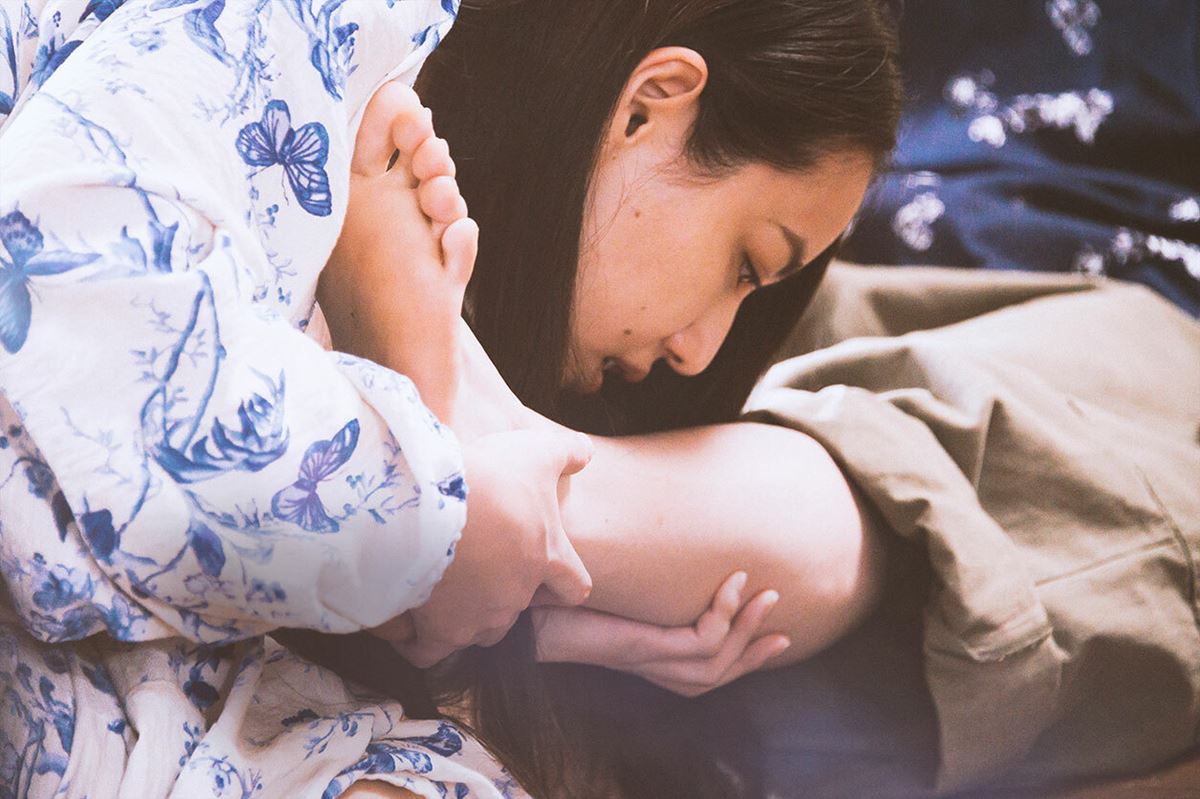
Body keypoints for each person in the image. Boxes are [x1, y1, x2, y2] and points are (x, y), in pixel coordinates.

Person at [0, 0, 902, 797]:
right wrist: (444, 512)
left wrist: (528, 611)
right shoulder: (319, 26)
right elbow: (57, 331)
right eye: (747, 263)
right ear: (647, 106)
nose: (701, 352)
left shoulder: (417, 232)